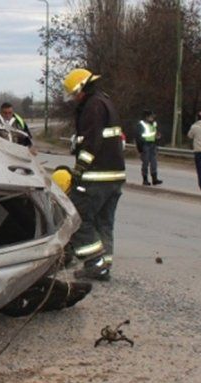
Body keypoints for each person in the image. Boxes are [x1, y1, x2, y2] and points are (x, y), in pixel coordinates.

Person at [62, 68, 126, 281]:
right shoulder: (105, 101)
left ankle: (95, 262)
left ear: (82, 88)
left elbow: (91, 142)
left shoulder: (92, 106)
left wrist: (80, 168)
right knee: (103, 223)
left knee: (75, 218)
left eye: (74, 94)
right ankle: (103, 266)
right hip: (114, 176)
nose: (74, 98)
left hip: (95, 176)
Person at [135, 110, 163, 186]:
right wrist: (140, 148)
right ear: (146, 117)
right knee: (145, 163)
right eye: (151, 116)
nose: (152, 118)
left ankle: (154, 179)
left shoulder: (154, 124)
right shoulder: (141, 124)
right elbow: (138, 137)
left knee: (154, 162)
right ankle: (145, 180)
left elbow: (156, 133)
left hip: (153, 145)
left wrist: (158, 138)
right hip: (145, 145)